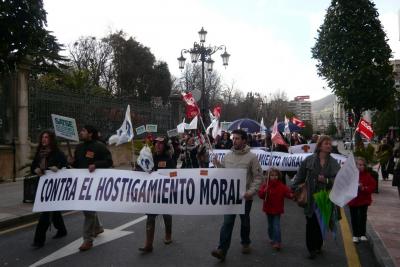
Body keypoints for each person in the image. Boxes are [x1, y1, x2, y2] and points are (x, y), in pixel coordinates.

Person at [211, 129, 263, 261]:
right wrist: (217, 165)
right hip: (230, 197)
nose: (234, 141)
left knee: (244, 222)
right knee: (227, 222)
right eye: (233, 138)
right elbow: (224, 173)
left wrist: (250, 192)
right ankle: (222, 249)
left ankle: (245, 242)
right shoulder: (228, 156)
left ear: (244, 140)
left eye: (237, 138)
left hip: (245, 197)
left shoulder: (252, 157)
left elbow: (258, 178)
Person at [291, 135, 340, 259]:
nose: (329, 146)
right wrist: (294, 188)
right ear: (319, 146)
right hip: (311, 197)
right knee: (311, 222)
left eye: (330, 144)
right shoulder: (309, 160)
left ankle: (318, 246)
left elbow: (338, 180)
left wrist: (327, 180)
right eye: (326, 144)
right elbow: (300, 175)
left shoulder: (334, 162)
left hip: (325, 197)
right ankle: (311, 248)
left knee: (321, 223)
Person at [70, 125, 113, 251]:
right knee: (88, 208)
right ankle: (98, 227)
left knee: (88, 211)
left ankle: (87, 239)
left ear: (90, 134)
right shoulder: (78, 148)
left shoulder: (99, 146)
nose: (80, 132)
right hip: (82, 183)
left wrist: (96, 164)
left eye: (83, 131)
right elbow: (78, 164)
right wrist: (72, 162)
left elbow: (109, 161)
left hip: (95, 184)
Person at [139, 136, 177, 253]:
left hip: (165, 193)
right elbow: (143, 170)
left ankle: (168, 235)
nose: (157, 145)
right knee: (150, 217)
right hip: (152, 193)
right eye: (156, 143)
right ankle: (148, 244)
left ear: (164, 146)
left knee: (166, 214)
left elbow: (174, 175)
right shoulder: (150, 157)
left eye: (160, 144)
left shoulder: (169, 159)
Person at [31, 130, 68, 248]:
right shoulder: (40, 153)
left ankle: (38, 240)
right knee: (55, 210)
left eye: (46, 137)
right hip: (42, 186)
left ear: (51, 139)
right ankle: (62, 230)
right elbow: (33, 166)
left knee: (45, 213)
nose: (44, 139)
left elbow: (66, 167)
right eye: (42, 137)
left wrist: (58, 169)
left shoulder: (58, 153)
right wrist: (36, 169)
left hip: (54, 188)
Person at [258, 168, 293, 251]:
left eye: (276, 175)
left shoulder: (281, 186)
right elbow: (260, 195)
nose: (274, 177)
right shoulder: (265, 185)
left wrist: (292, 195)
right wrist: (264, 192)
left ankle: (277, 242)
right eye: (272, 175)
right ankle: (271, 237)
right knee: (270, 225)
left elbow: (288, 193)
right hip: (268, 208)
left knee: (276, 225)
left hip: (277, 209)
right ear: (268, 176)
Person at [348, 157, 377, 243]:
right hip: (353, 201)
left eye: (362, 165)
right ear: (355, 165)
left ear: (365, 166)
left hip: (364, 200)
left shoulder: (368, 176)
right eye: (359, 165)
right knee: (354, 218)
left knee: (362, 217)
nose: (360, 166)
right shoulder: (351, 175)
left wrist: (363, 188)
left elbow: (372, 187)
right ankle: (355, 235)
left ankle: (362, 234)